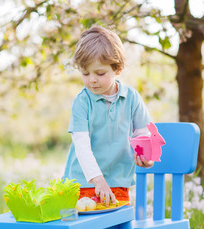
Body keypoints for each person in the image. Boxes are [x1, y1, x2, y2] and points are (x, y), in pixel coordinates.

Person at [62, 26, 154, 207]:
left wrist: (145, 155)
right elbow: (82, 146)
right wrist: (98, 181)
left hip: (119, 181)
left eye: (100, 73)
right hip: (84, 183)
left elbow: (143, 132)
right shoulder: (82, 102)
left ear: (117, 69)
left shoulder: (132, 98)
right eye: (85, 73)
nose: (92, 80)